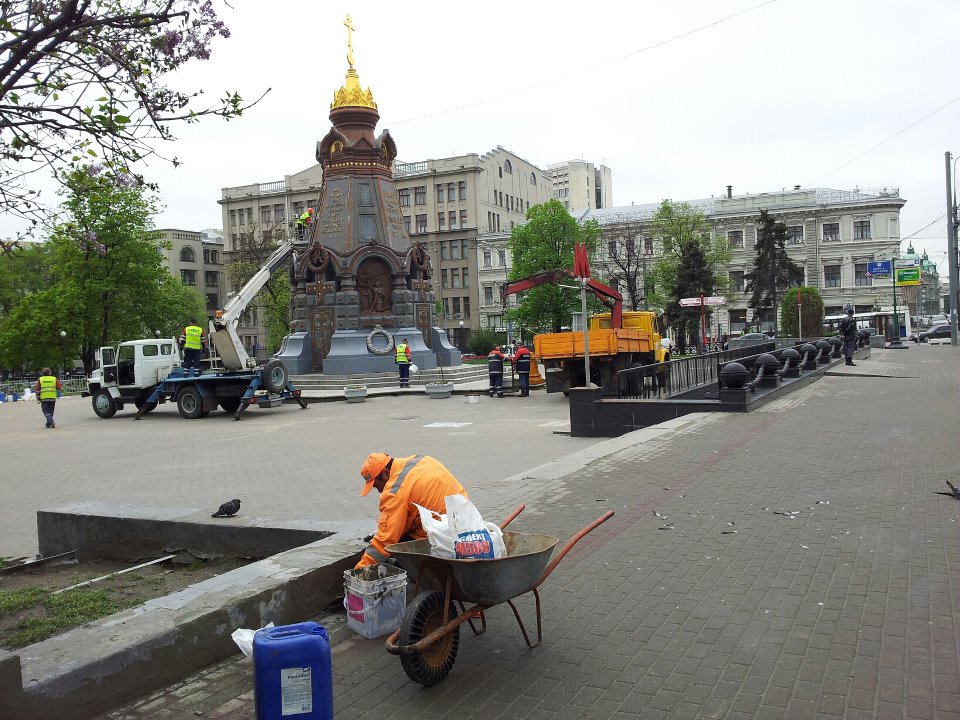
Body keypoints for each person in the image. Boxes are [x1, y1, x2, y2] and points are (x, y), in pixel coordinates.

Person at [355, 453, 468, 568]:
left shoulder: (395, 491)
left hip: (442, 538)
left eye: (376, 485)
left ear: (385, 474)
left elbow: (385, 541)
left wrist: (360, 569)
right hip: (467, 520)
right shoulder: (422, 460)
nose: (379, 490)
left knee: (393, 553)